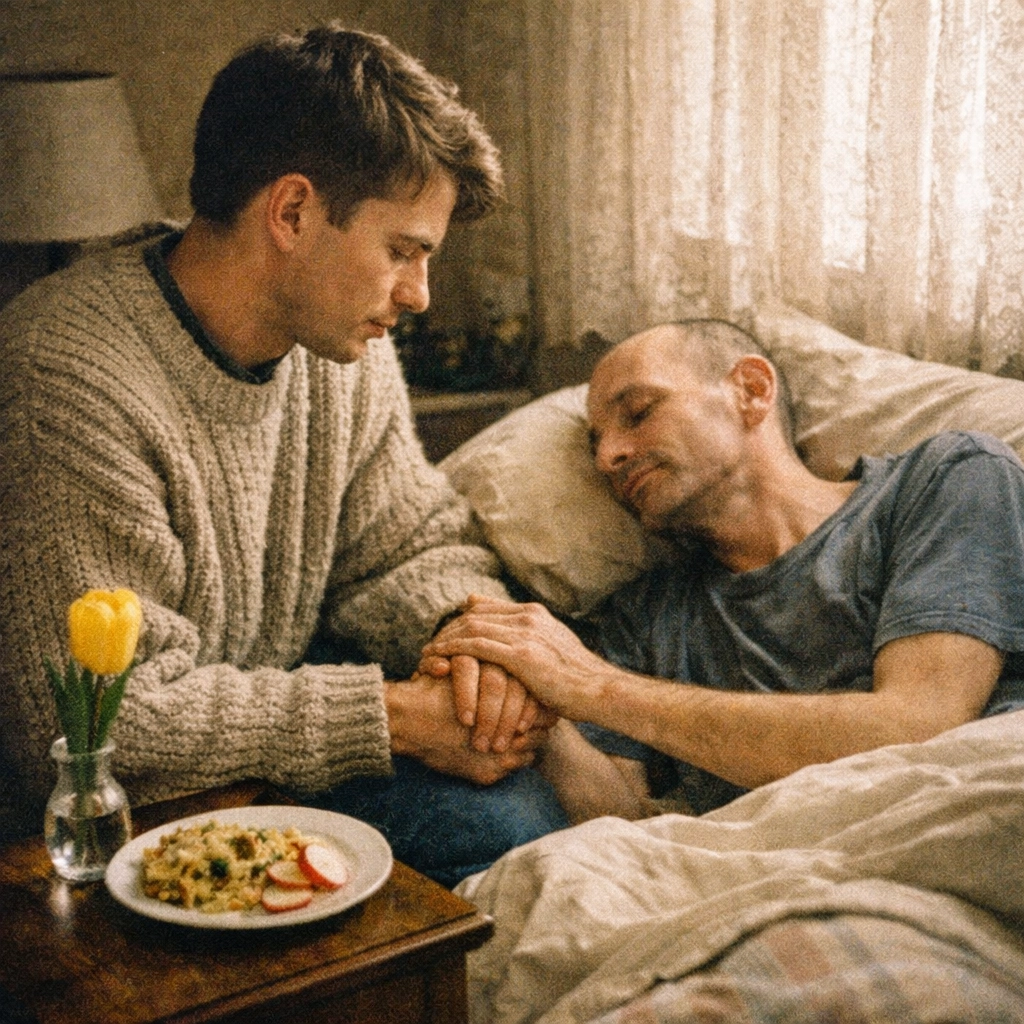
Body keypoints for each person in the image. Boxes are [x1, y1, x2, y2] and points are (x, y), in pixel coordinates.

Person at [0, 23, 567, 885]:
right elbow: (97, 724)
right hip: (113, 807)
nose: (419, 295)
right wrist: (393, 717)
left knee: (532, 817)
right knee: (508, 840)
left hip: (275, 726)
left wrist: (473, 645)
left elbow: (406, 543)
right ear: (293, 213)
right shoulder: (67, 379)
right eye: (402, 251)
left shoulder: (344, 349)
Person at [422, 319, 1024, 823]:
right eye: (595, 444)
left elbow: (920, 724)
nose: (608, 457)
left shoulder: (944, 480)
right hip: (770, 869)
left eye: (639, 412)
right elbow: (618, 815)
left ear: (750, 391)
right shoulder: (647, 614)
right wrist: (535, 697)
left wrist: (592, 686)